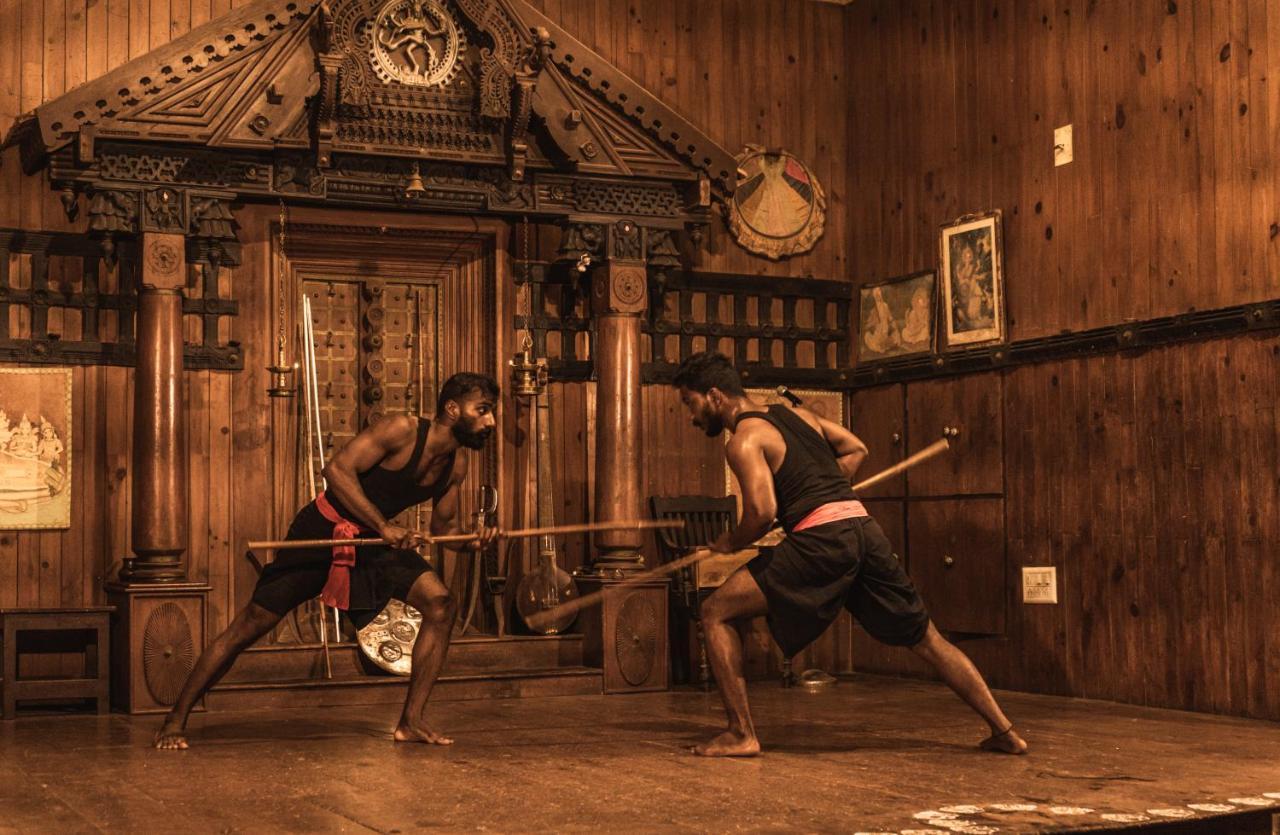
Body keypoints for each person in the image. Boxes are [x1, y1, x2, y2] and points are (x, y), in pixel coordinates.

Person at [672, 352, 1027, 758]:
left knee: (715, 610)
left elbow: (763, 512)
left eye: (690, 402)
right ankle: (1005, 730)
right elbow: (856, 449)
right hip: (862, 531)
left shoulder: (744, 440)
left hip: (822, 541)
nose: (692, 416)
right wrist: (823, 488)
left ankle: (741, 734)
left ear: (715, 396)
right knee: (926, 637)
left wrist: (731, 542)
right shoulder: (799, 416)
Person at [154, 372, 501, 750]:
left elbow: (445, 528)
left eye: (491, 413)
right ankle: (175, 719)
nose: (490, 422)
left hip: (372, 544)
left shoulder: (457, 466)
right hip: (321, 533)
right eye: (482, 411)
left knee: (441, 604)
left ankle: (410, 722)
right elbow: (335, 471)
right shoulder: (401, 430)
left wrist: (474, 542)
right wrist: (384, 526)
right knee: (251, 624)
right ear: (452, 409)